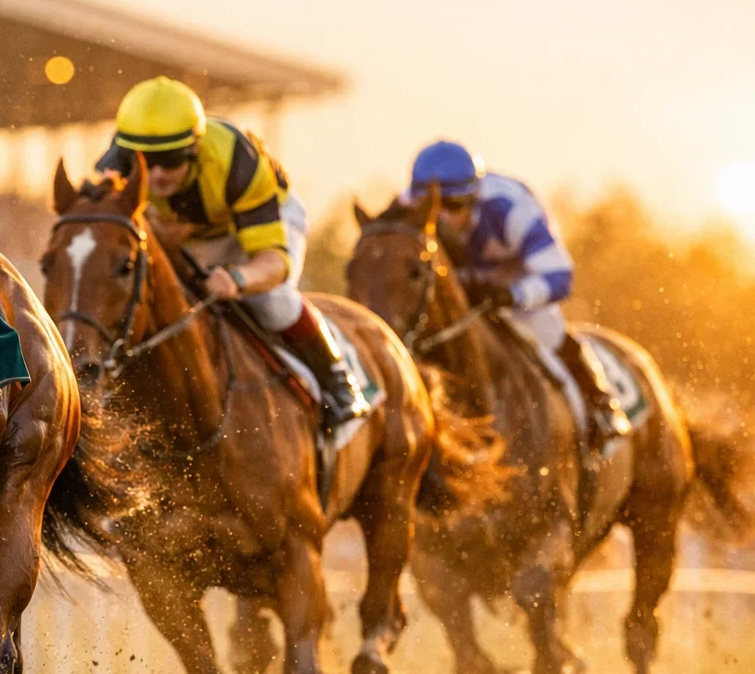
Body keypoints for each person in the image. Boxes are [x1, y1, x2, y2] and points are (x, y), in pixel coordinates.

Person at [98, 76, 367, 432]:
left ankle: (337, 378)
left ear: (194, 147)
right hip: (192, 232)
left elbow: (274, 262)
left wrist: (238, 278)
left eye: (170, 159)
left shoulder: (237, 162)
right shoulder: (113, 168)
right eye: (146, 161)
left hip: (258, 227)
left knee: (271, 301)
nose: (158, 174)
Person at [406, 140, 630, 445]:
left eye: (454, 206)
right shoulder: (406, 208)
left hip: (517, 282)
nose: (441, 218)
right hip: (458, 290)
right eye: (433, 207)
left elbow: (560, 275)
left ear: (474, 198)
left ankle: (600, 404)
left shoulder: (508, 207)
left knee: (543, 331)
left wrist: (512, 295)